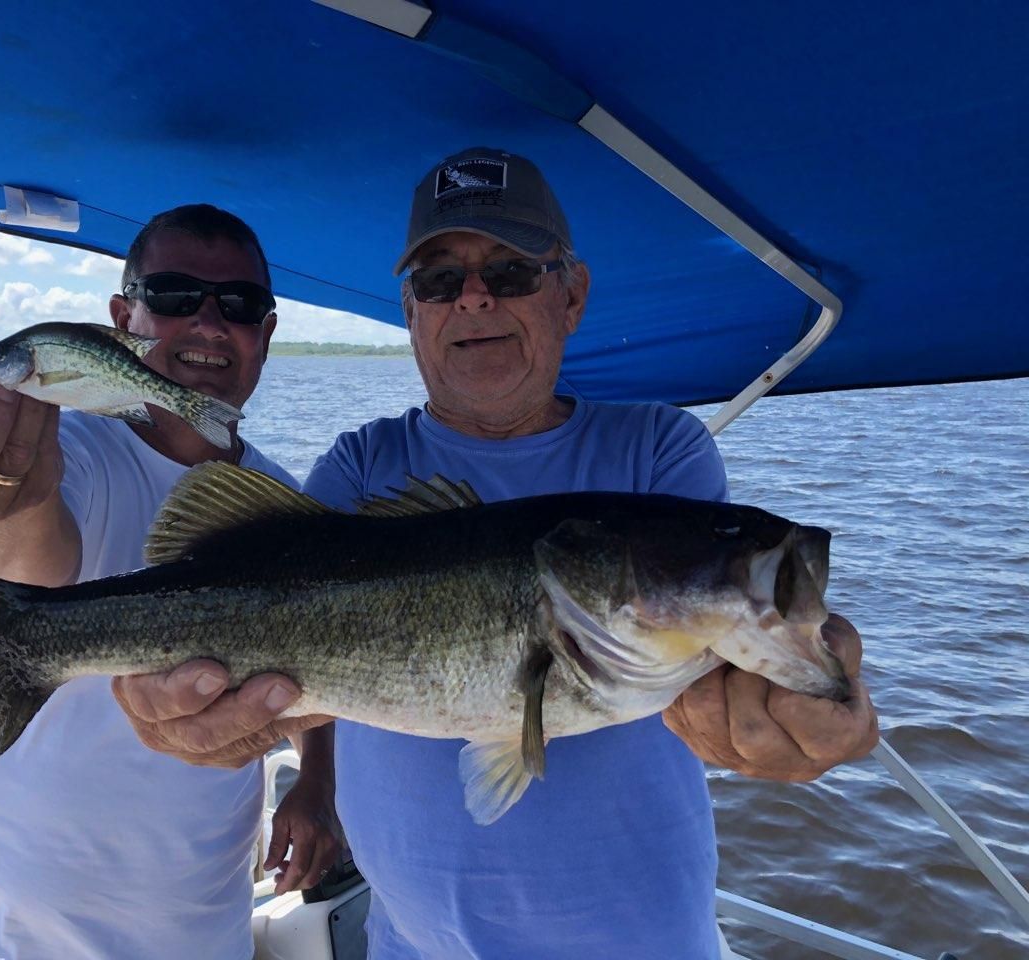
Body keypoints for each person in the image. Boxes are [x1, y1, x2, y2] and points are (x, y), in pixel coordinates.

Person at [115, 148, 881, 958]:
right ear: (411, 312)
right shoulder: (359, 466)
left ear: (572, 296)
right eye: (440, 281)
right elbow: (302, 669)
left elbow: (726, 663)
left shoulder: (660, 450)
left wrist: (811, 706)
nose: (474, 296)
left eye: (511, 272)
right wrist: (207, 729)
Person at [0, 204, 338, 960]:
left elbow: (324, 658)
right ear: (120, 319)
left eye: (237, 306)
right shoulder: (66, 449)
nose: (205, 322)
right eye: (170, 297)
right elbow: (27, 551)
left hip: (198, 936)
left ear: (264, 334)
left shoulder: (287, 508)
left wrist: (316, 786)